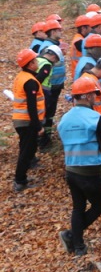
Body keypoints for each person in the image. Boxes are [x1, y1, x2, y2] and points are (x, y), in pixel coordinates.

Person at [57, 77, 101, 256]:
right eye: (94, 94)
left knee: (78, 207)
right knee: (100, 205)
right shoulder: (95, 118)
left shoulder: (64, 119)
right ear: (87, 95)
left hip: (71, 169)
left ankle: (79, 246)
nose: (95, 98)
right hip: (90, 171)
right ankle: (72, 236)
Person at [12, 49, 45, 192]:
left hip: (21, 121)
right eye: (35, 61)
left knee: (25, 150)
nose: (37, 62)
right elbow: (31, 106)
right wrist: (38, 126)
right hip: (27, 122)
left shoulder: (22, 76)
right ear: (30, 64)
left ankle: (21, 178)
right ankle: (20, 181)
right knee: (27, 151)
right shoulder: (30, 81)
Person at [40, 19, 66, 148]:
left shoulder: (55, 44)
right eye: (58, 30)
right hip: (50, 87)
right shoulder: (46, 47)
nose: (61, 32)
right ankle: (44, 141)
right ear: (52, 32)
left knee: (50, 112)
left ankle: (46, 137)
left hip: (55, 85)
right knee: (47, 113)